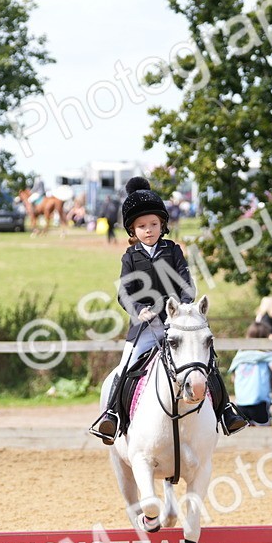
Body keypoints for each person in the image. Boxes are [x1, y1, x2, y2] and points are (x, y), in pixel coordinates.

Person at [90, 176, 247, 444]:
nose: (148, 230)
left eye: (153, 224)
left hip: (177, 323)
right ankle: (112, 415)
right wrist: (139, 310)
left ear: (163, 225)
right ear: (132, 230)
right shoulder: (130, 257)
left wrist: (185, 306)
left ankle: (225, 412)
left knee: (207, 362)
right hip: (144, 327)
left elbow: (186, 284)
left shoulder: (173, 251)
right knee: (125, 366)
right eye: (142, 226)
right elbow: (124, 293)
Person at [228, 322, 272, 426]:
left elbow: (233, 379)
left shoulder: (240, 355)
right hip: (259, 401)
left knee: (245, 435)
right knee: (265, 435)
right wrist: (269, 385)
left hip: (241, 402)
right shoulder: (267, 355)